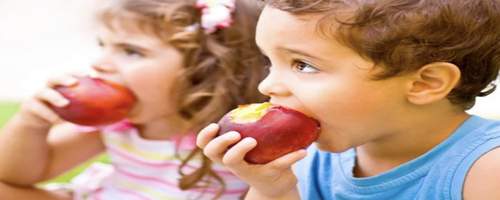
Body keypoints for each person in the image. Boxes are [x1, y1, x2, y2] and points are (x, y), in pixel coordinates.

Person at [196, 0, 500, 199]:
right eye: (268, 61)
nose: (267, 84)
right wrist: (271, 190)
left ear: (424, 84)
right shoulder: (307, 160)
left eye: (304, 65)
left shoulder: (486, 170)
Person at [0, 0, 268, 199]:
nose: (100, 63)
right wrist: (30, 123)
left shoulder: (237, 138)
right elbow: (15, 176)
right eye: (103, 46)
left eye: (131, 51)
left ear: (207, 70)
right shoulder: (116, 123)